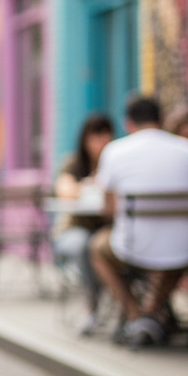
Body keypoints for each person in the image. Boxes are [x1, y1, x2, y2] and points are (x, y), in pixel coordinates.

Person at [89, 96, 188, 348]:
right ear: (161, 120)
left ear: (128, 123)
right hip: (185, 247)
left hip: (132, 247)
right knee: (177, 251)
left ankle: (135, 315)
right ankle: (152, 312)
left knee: (97, 247)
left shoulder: (115, 150)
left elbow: (108, 211)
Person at [53, 113, 113, 336]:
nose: (101, 141)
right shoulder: (73, 163)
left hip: (106, 229)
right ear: (85, 139)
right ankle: (92, 305)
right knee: (85, 245)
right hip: (74, 230)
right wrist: (92, 184)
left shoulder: (115, 161)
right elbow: (65, 191)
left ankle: (126, 310)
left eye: (106, 134)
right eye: (95, 135)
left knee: (112, 244)